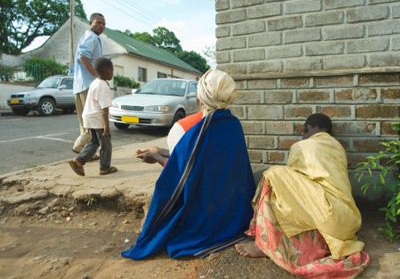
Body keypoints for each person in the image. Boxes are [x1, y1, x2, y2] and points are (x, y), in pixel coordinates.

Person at [122, 69, 256, 260]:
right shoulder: (232, 123)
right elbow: (200, 158)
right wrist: (160, 152)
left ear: (201, 96)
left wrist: (156, 157)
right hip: (235, 210)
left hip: (209, 211)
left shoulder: (199, 131)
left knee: (165, 204)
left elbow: (181, 175)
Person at [235, 113, 370, 278]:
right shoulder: (338, 148)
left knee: (272, 177)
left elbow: (288, 188)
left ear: (309, 129)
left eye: (304, 132)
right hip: (348, 219)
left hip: (327, 215)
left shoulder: (302, 146)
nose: (303, 136)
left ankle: (265, 243)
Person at [68, 58, 117, 176]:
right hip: (97, 118)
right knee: (106, 144)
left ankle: (79, 161)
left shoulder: (95, 82)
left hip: (88, 116)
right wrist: (106, 126)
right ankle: (104, 168)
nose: (112, 73)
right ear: (106, 71)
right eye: (112, 70)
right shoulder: (103, 85)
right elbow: (105, 107)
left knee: (94, 142)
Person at [72, 12, 105, 153]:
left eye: (103, 24)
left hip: (79, 86)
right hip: (87, 86)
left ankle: (86, 153)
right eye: (98, 22)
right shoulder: (91, 37)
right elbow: (83, 58)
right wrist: (97, 75)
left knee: (85, 122)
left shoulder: (88, 37)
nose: (101, 26)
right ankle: (80, 147)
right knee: (92, 121)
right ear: (90, 23)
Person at [136, 109, 204, 166]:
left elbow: (181, 169)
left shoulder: (182, 127)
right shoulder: (210, 123)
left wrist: (157, 157)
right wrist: (160, 152)